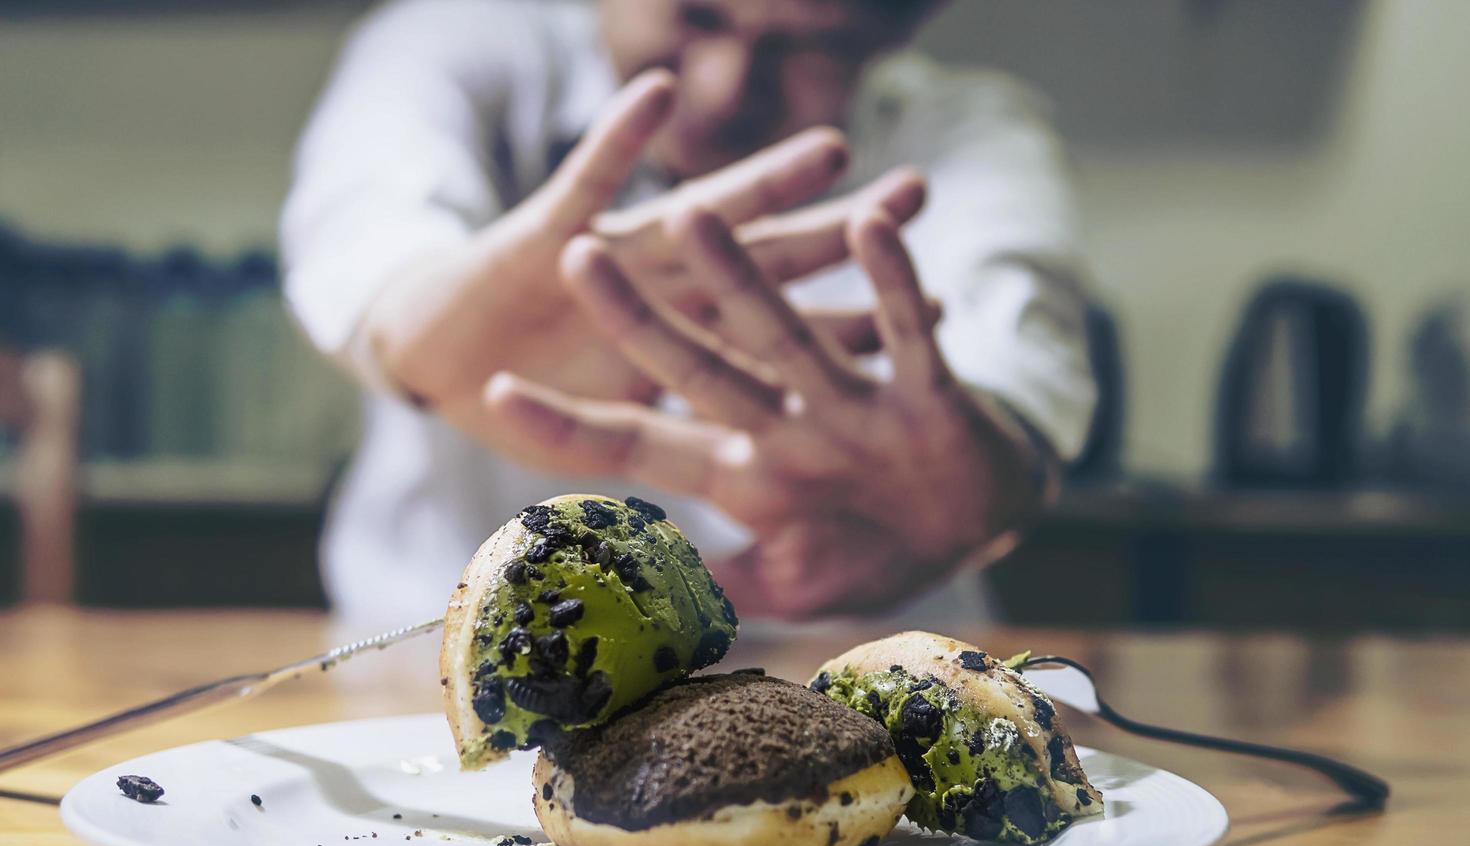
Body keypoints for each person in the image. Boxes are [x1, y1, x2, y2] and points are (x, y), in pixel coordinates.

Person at [281, 0, 1096, 625]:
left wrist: (963, 489)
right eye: (694, 13)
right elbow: (366, 244)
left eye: (806, 43)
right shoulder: (449, 42)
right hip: (420, 689)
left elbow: (1018, 378)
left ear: (895, 33)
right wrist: (442, 335)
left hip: (854, 683)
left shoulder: (971, 131)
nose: (722, 90)